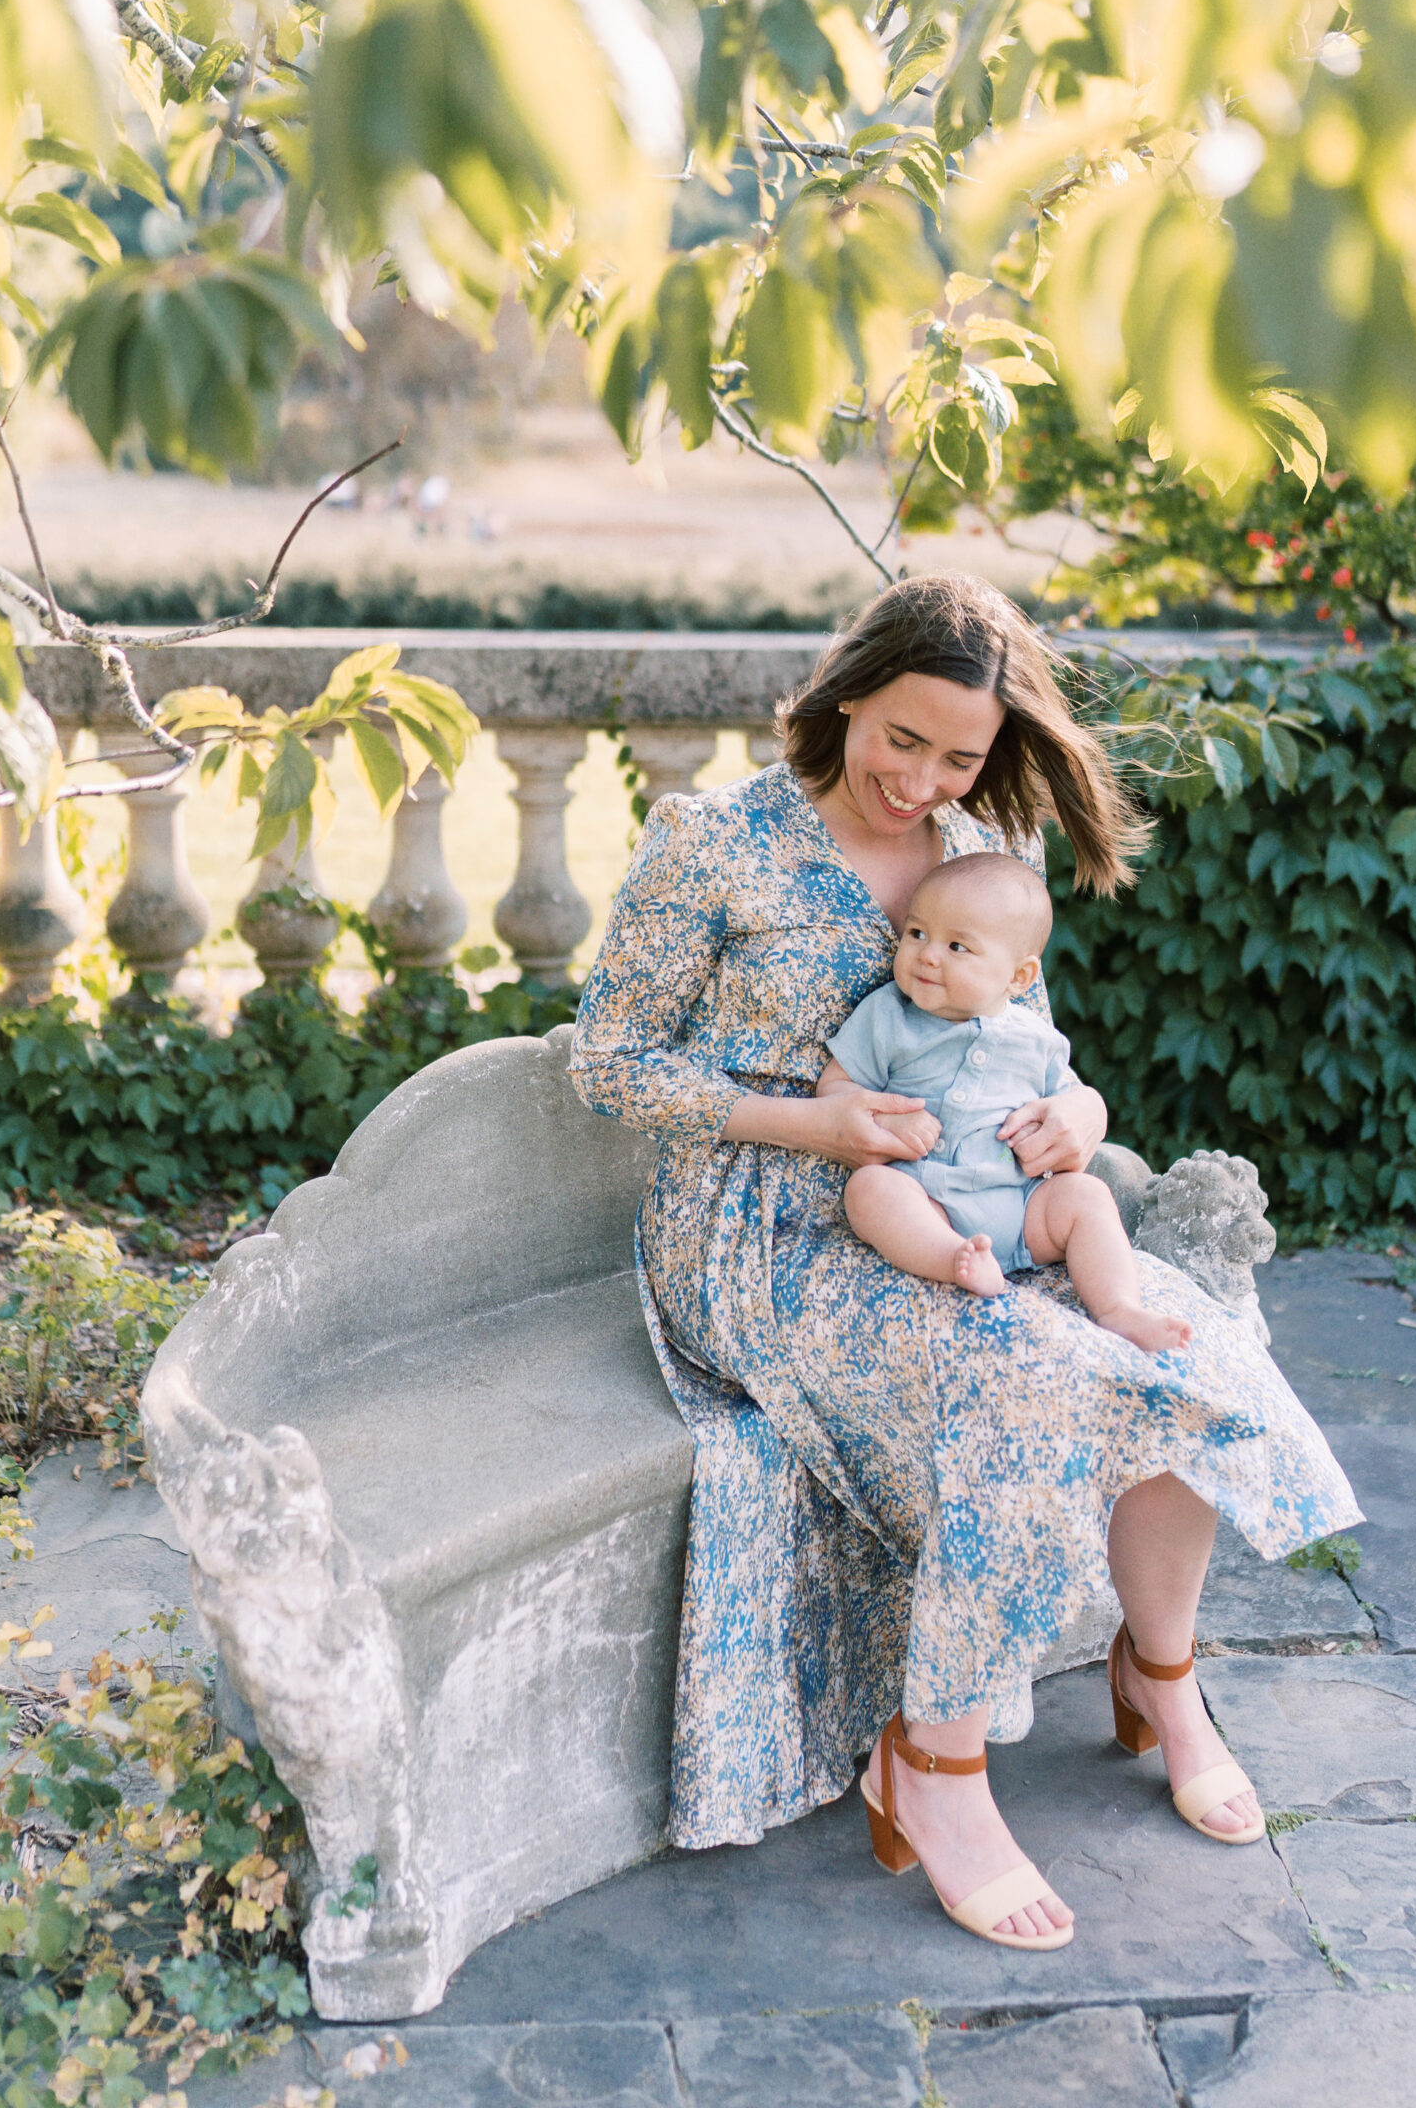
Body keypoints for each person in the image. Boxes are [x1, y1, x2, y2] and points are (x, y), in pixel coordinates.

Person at [570, 573, 1360, 1954]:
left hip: (985, 1196)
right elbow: (608, 1063)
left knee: (1179, 1345)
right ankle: (931, 1770)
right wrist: (815, 1121)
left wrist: (1086, 1119)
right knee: (1019, 1378)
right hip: (764, 1225)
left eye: (958, 754)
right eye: (899, 738)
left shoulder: (983, 841)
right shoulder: (715, 844)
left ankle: (1160, 1672)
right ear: (843, 697)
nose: (919, 779)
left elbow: (1029, 1041)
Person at [821, 850, 1192, 1348]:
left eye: (957, 946)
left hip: (1021, 1204)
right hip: (928, 1198)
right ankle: (954, 1259)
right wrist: (889, 1123)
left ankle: (1118, 1307)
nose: (928, 954)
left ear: (1018, 978)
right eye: (916, 933)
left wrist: (1070, 1113)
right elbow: (837, 1087)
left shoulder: (1038, 1039)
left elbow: (1067, 1106)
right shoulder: (888, 1016)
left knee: (1087, 1197)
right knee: (869, 1191)